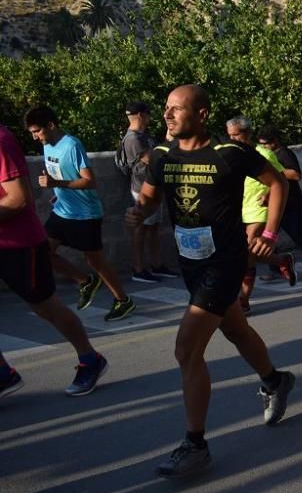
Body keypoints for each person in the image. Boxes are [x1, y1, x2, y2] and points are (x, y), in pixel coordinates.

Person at [128, 84, 296, 478]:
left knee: (186, 350)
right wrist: (139, 213)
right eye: (166, 108)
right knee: (236, 329)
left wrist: (269, 234)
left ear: (201, 114)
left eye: (176, 109)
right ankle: (276, 380)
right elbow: (150, 198)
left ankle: (195, 445)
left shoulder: (230, 154)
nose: (167, 115)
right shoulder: (163, 156)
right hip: (190, 262)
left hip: (226, 261)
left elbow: (278, 183)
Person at [1, 122, 110, 398]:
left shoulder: (1, 140)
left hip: (18, 244)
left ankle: (90, 358)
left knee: (45, 307)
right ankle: (2, 374)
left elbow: (17, 199)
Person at [24, 105, 135, 323]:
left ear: (51, 125)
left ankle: (123, 301)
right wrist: (58, 192)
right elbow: (63, 175)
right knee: (41, 251)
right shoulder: (48, 146)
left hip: (85, 214)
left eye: (37, 131)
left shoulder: (72, 145)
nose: (36, 137)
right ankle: (85, 281)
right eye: (32, 133)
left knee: (96, 261)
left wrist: (58, 183)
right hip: (62, 211)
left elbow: (90, 180)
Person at [226, 117, 297, 314]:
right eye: (230, 135)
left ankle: (243, 300)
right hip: (240, 210)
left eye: (237, 135)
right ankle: (281, 260)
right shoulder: (231, 152)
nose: (233, 139)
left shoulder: (262, 153)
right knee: (245, 252)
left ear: (248, 133)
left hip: (259, 210)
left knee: (247, 253)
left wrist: (268, 192)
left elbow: (282, 179)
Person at [121, 102, 178, 283]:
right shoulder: (133, 139)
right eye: (148, 113)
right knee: (141, 228)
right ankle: (138, 269)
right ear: (140, 115)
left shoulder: (143, 136)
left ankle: (156, 264)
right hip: (141, 189)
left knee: (153, 227)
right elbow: (153, 159)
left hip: (154, 187)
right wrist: (168, 142)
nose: (151, 116)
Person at [257, 125, 302, 280]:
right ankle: (274, 269)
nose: (264, 147)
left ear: (275, 141)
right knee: (269, 237)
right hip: (275, 203)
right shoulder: (267, 155)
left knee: (300, 236)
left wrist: (275, 172)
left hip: (291, 204)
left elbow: (296, 174)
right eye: (261, 144)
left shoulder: (284, 153)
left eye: (266, 144)